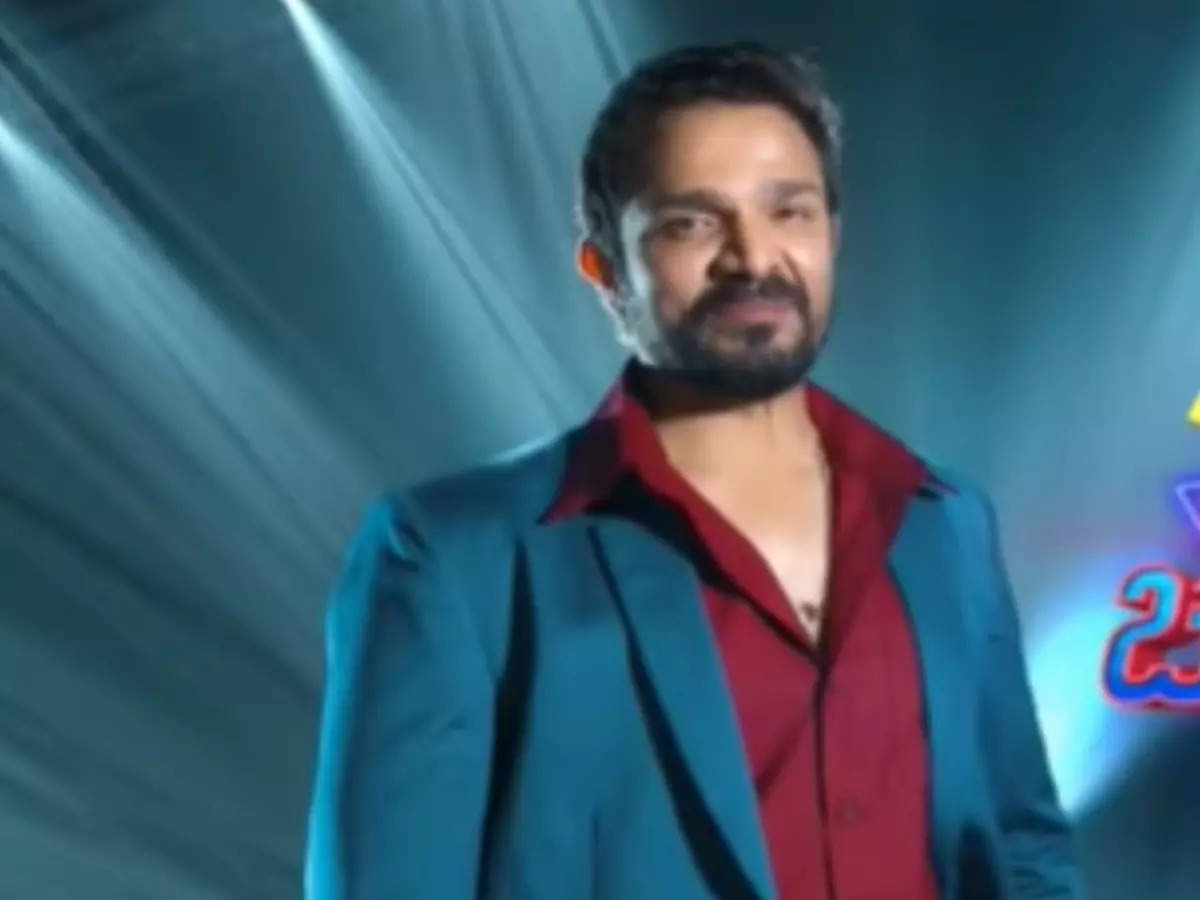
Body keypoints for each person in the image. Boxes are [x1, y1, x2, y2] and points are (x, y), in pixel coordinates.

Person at [304, 42, 1079, 900]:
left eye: (789, 212)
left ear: (831, 234)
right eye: (691, 223)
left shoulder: (947, 522)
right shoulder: (455, 559)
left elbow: (1024, 852)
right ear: (605, 269)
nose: (754, 258)